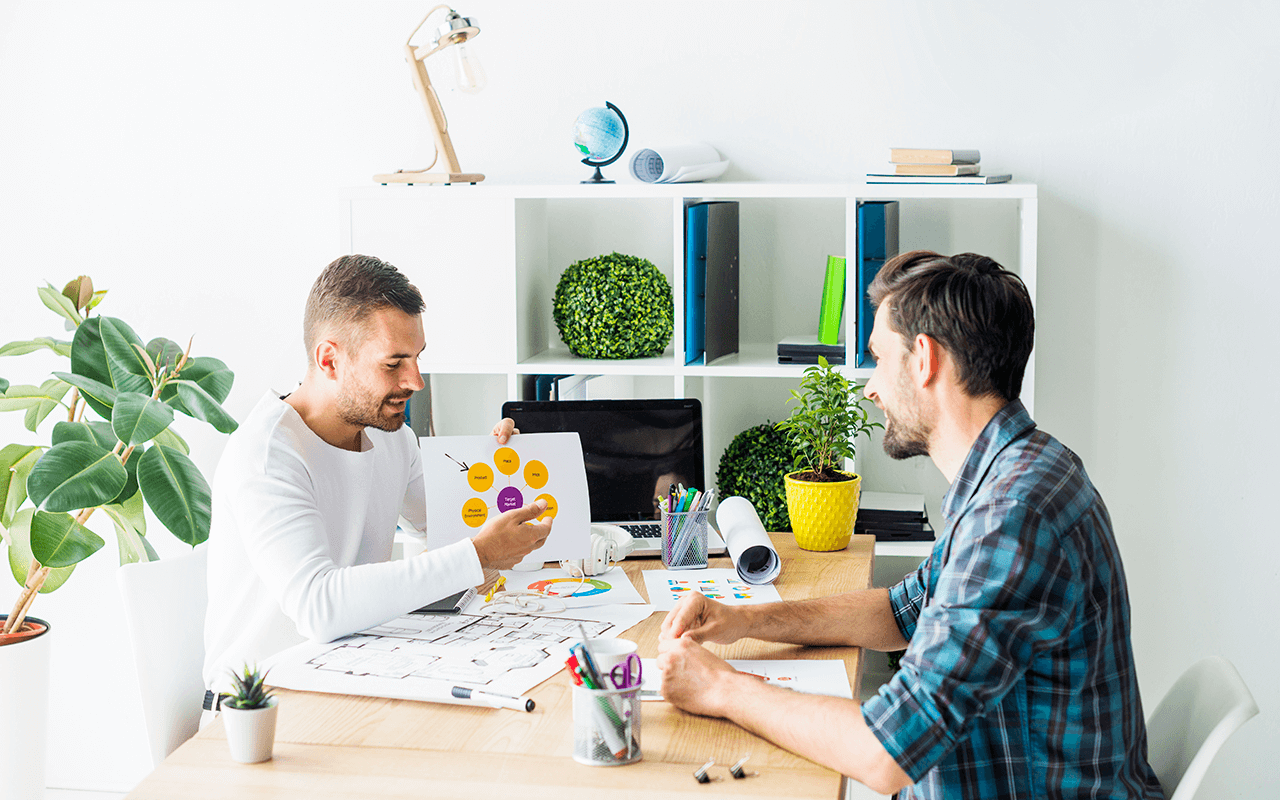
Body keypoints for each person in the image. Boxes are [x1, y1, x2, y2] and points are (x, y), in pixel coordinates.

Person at [657, 250, 1163, 799]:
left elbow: (885, 753)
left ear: (924, 359)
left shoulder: (1013, 515)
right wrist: (744, 620)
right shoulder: (1020, 469)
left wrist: (722, 688)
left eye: (878, 359)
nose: (871, 389)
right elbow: (901, 612)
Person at [202, 255, 553, 704]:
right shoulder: (268, 455)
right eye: (394, 364)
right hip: (257, 709)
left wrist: (511, 476)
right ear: (329, 359)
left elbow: (473, 539)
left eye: (418, 358)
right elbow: (319, 607)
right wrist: (479, 552)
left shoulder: (392, 439)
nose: (417, 381)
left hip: (350, 680)